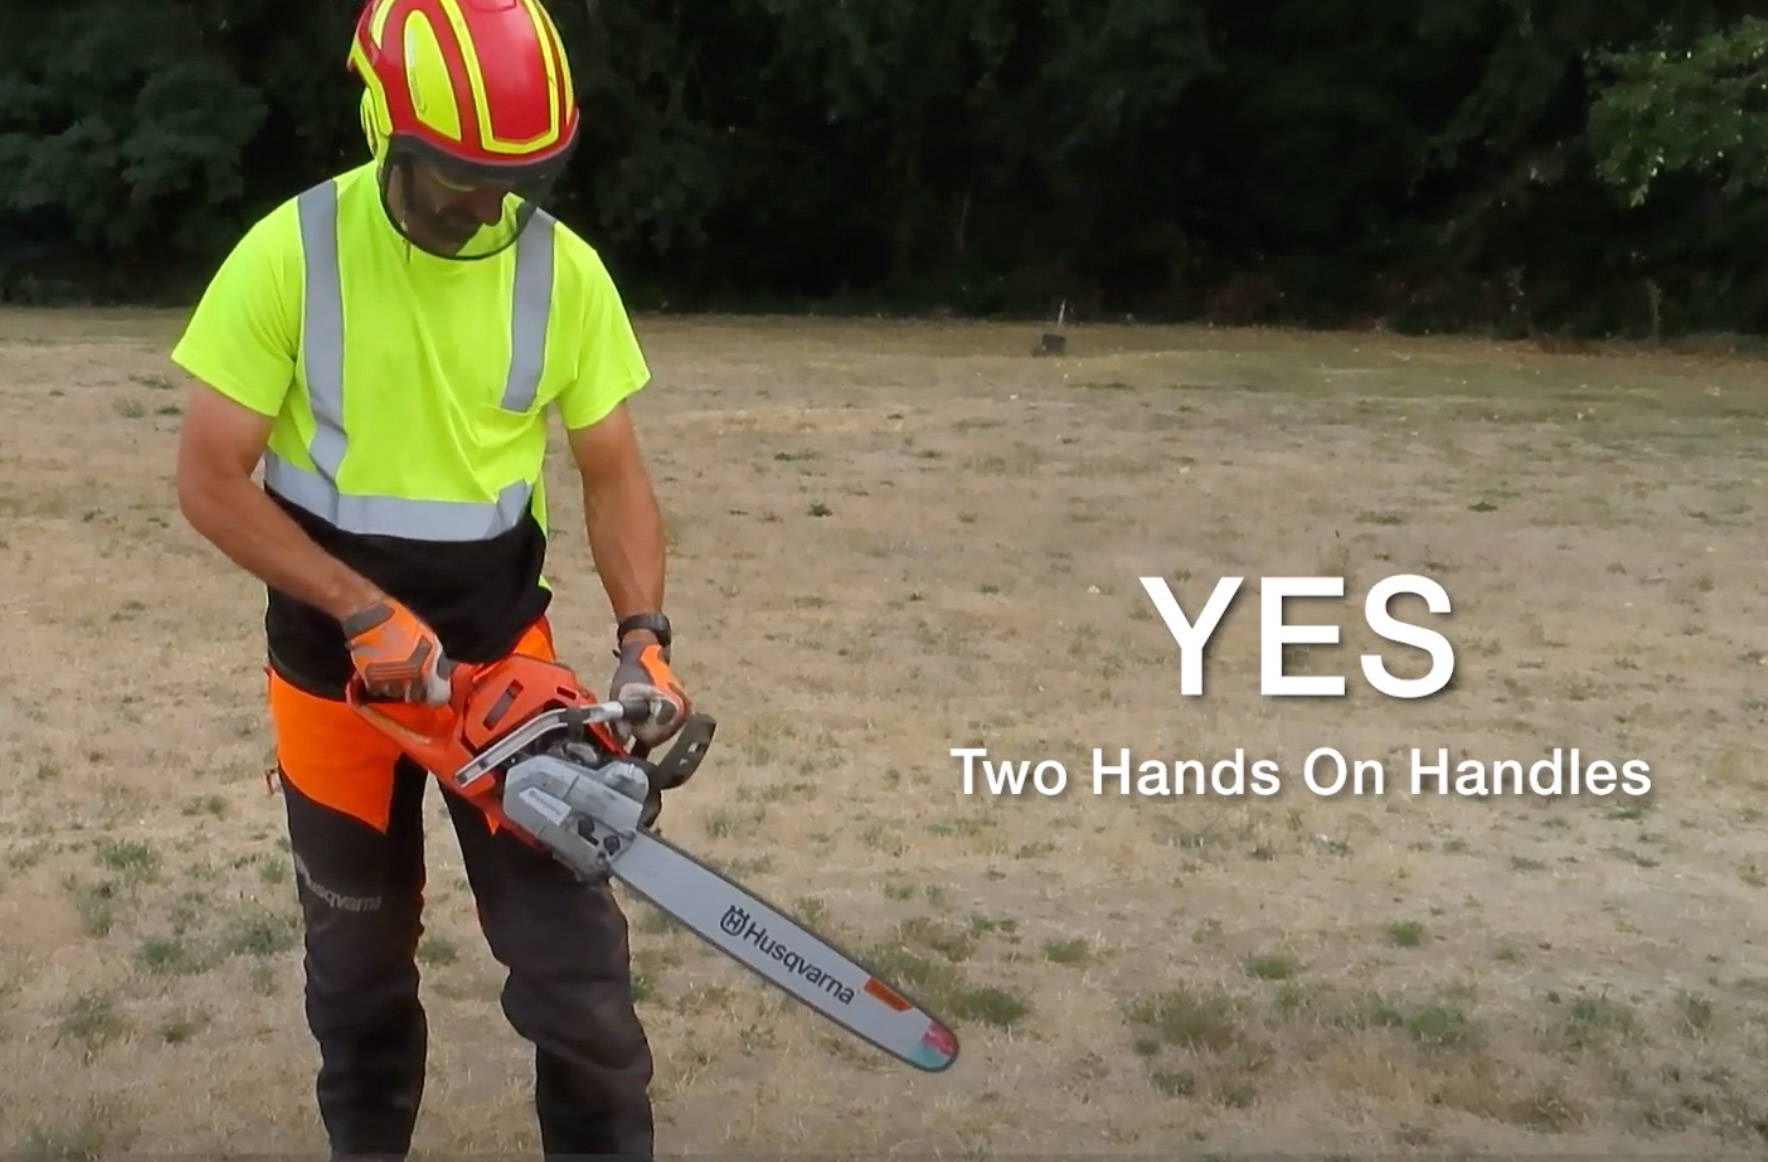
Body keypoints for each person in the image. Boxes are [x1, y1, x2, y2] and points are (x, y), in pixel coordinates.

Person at [168, 0, 688, 1156]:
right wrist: (359, 608)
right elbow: (210, 479)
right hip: (336, 680)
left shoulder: (565, 275)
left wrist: (643, 633)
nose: (479, 201)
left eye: (508, 180)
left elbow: (612, 472)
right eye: (451, 173)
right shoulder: (289, 255)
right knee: (354, 982)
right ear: (379, 128)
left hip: (509, 671)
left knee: (582, 989)